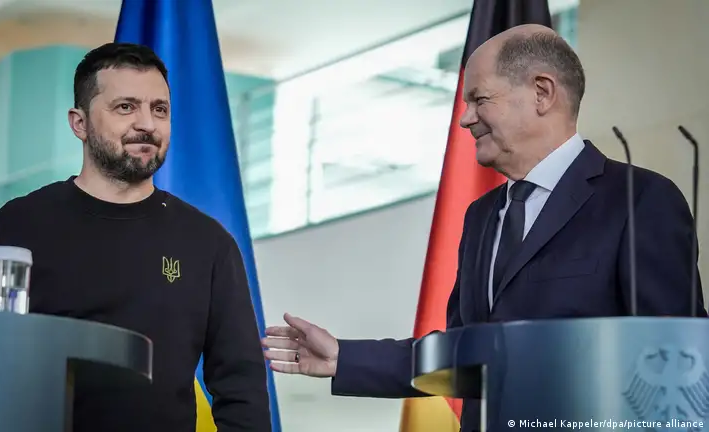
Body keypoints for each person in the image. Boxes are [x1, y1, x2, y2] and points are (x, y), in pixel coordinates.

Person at [260, 24, 707, 431]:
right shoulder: (481, 216)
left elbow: (676, 366)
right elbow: (464, 353)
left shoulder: (639, 200)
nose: (465, 118)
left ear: (542, 93)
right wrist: (345, 358)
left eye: (479, 99)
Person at [0, 42, 271, 432]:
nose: (147, 124)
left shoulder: (208, 244)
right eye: (125, 107)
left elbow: (243, 391)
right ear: (79, 123)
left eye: (160, 109)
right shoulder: (13, 230)